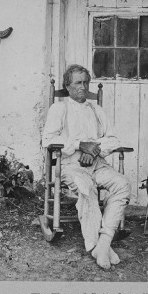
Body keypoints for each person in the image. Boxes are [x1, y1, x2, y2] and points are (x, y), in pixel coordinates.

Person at [42, 64, 130, 269]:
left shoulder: (96, 110)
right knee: (86, 188)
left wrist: (94, 149)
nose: (83, 87)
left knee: (122, 184)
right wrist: (80, 145)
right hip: (72, 165)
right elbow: (48, 139)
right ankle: (93, 246)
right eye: (78, 83)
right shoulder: (59, 108)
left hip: (98, 163)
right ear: (68, 86)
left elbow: (113, 139)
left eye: (86, 83)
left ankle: (104, 241)